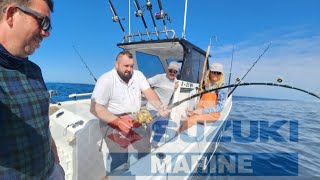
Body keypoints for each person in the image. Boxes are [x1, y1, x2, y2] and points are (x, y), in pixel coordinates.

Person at [0, 0, 65, 179]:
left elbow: (42, 123)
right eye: (43, 22)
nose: (47, 33)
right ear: (12, 14)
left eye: (49, 26)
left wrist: (55, 161)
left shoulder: (35, 71)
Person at [90, 50, 169, 175]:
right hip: (112, 120)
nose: (129, 69)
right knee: (120, 158)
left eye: (131, 66)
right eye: (126, 66)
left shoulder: (138, 75)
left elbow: (148, 92)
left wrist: (160, 106)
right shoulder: (105, 80)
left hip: (135, 117)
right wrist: (119, 122)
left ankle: (144, 173)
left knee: (145, 149)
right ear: (116, 64)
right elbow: (95, 108)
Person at [176, 62, 226, 134]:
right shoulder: (205, 84)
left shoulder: (222, 87)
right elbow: (201, 101)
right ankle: (177, 133)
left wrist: (202, 111)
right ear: (209, 72)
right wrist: (193, 109)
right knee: (185, 117)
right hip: (199, 110)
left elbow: (220, 107)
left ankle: (177, 135)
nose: (216, 74)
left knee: (191, 120)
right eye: (214, 72)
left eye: (218, 73)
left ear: (221, 74)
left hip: (212, 114)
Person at [146, 61, 179, 147]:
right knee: (148, 128)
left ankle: (154, 143)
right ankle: (145, 146)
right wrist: (151, 92)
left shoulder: (177, 82)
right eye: (171, 70)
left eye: (175, 71)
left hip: (164, 109)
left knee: (162, 128)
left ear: (177, 73)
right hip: (152, 107)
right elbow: (145, 83)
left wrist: (176, 90)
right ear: (168, 70)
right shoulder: (159, 77)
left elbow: (174, 96)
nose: (172, 73)